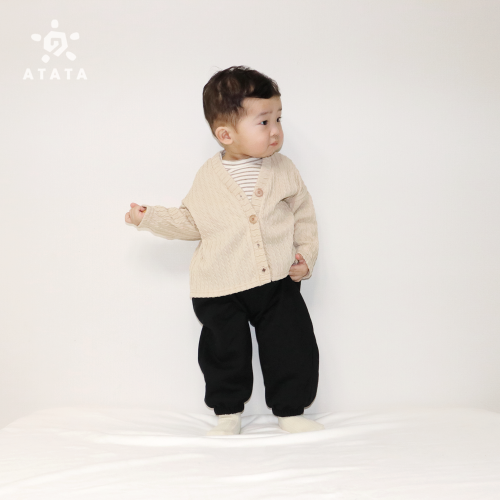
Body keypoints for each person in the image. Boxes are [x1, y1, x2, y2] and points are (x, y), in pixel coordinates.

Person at [125, 66, 324, 436]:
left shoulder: (283, 169)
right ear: (226, 134)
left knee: (291, 344)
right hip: (220, 284)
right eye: (263, 121)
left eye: (278, 118)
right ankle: (228, 412)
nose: (276, 130)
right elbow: (191, 221)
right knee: (224, 351)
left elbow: (304, 215)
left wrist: (305, 256)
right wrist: (149, 217)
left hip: (277, 280)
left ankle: (291, 411)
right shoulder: (209, 177)